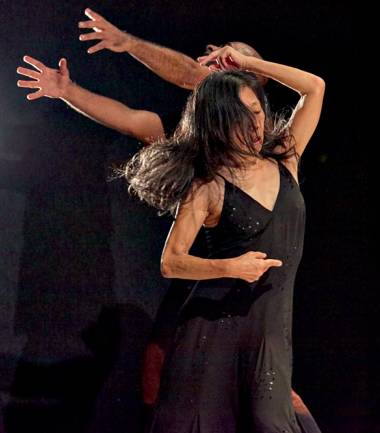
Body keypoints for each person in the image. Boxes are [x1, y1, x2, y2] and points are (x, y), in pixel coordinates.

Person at [16, 11, 322, 430]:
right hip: (206, 284)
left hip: (259, 303)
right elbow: (135, 115)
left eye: (233, 60)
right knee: (171, 380)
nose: (220, 58)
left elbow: (206, 78)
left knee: (269, 398)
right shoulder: (196, 149)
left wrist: (132, 43)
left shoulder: (271, 145)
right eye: (217, 55)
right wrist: (70, 91)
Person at [121, 45, 325, 432]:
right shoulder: (208, 184)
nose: (255, 125)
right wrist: (230, 267)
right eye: (241, 117)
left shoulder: (285, 157)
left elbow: (314, 87)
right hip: (215, 332)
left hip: (269, 332)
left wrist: (246, 65)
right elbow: (171, 261)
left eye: (257, 112)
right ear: (218, 123)